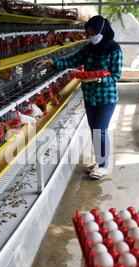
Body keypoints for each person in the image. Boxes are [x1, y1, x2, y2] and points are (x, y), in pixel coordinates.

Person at [35, 15, 123, 179]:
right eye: (88, 32)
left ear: (102, 30)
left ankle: (104, 165)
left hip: (106, 97)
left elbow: (116, 75)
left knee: (100, 130)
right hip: (90, 96)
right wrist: (52, 62)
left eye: (92, 32)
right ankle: (99, 162)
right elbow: (72, 60)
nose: (90, 35)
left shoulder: (114, 50)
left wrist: (98, 78)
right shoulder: (89, 49)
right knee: (94, 130)